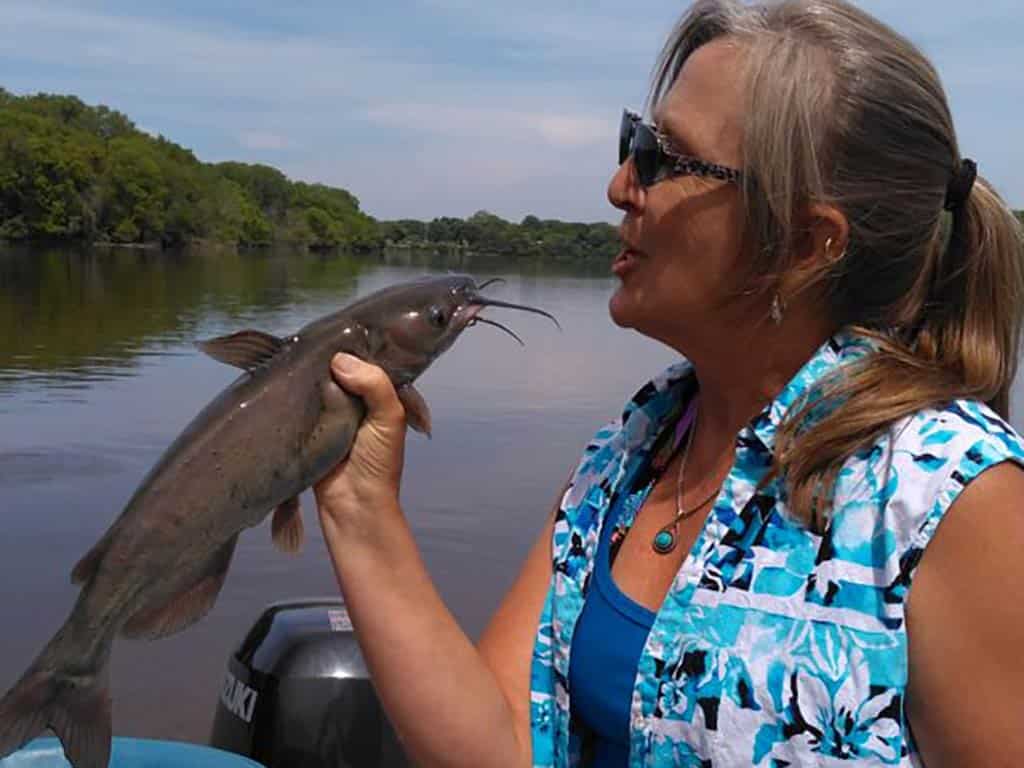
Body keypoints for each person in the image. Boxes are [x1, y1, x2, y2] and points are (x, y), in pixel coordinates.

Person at [312, 0, 1024, 765]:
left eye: (661, 157)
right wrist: (360, 504)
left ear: (809, 242)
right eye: (633, 141)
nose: (620, 185)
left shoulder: (950, 500)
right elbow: (502, 746)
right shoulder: (641, 441)